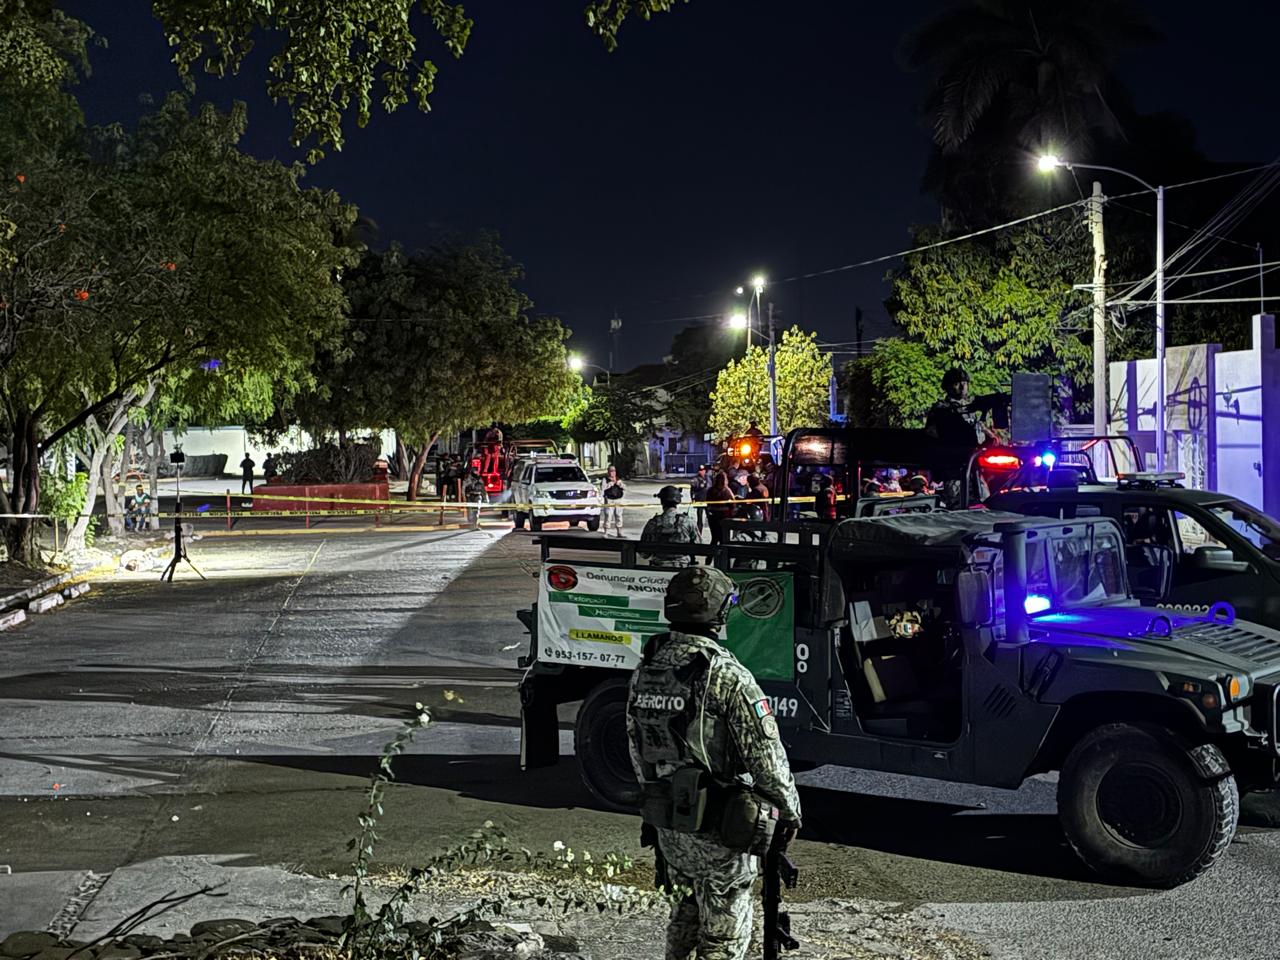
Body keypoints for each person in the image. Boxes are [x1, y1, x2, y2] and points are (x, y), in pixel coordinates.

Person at [626, 567, 801, 960]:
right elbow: (766, 757)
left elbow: (636, 744)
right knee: (723, 939)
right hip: (722, 832)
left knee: (683, 918)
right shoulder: (726, 674)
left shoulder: (647, 668)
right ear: (720, 613)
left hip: (671, 826)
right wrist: (789, 813)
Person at [639, 486, 699, 567]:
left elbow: (644, 553)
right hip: (682, 568)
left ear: (661, 501)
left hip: (658, 567)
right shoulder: (688, 521)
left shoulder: (653, 523)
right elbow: (698, 546)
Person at [704, 471, 736, 548]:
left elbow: (707, 503)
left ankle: (711, 553)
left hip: (713, 516)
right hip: (724, 517)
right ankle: (723, 554)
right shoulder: (727, 491)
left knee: (714, 538)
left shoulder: (710, 490)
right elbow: (733, 504)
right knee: (723, 538)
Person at [600, 465, 626, 537]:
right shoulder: (605, 480)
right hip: (609, 500)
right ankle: (606, 533)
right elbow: (602, 488)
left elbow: (625, 488)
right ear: (608, 472)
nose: (613, 472)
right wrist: (609, 485)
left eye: (614, 471)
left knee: (619, 516)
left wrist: (620, 484)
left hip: (618, 500)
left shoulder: (618, 479)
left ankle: (619, 532)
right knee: (608, 516)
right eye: (611, 471)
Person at [689, 465, 712, 537]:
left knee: (710, 518)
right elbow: (692, 490)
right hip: (700, 501)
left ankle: (713, 533)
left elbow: (711, 488)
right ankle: (699, 535)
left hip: (708, 500)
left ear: (705, 471)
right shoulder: (695, 479)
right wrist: (692, 499)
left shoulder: (708, 478)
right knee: (699, 518)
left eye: (703, 470)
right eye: (700, 471)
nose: (702, 472)